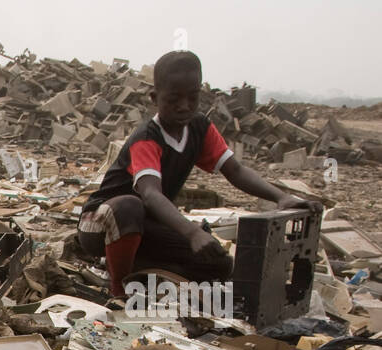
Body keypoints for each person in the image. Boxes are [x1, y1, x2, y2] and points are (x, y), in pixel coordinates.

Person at [79, 50, 321, 298]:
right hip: (100, 223)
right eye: (174, 99)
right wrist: (192, 232)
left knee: (217, 263)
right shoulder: (146, 138)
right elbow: (150, 195)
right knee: (130, 206)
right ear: (155, 98)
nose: (184, 106)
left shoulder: (199, 128)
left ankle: (137, 270)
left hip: (146, 230)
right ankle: (119, 290)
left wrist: (280, 197)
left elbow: (235, 171)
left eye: (192, 98)